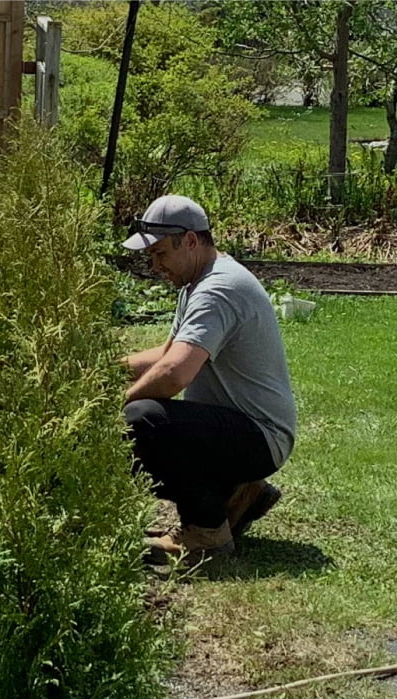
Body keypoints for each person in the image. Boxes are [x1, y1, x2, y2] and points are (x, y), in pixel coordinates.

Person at [121, 195, 296, 564]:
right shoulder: (199, 282)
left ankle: (206, 534)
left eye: (160, 253)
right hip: (246, 430)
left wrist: (115, 403)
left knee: (141, 420)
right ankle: (237, 495)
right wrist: (101, 370)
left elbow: (174, 374)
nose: (155, 265)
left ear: (189, 241)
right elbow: (167, 354)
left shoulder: (218, 289)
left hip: (261, 436)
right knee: (144, 418)